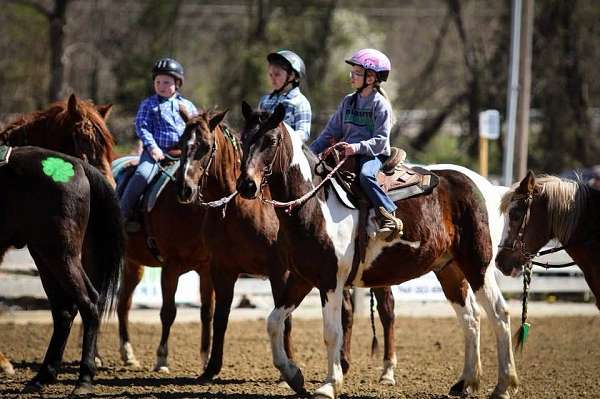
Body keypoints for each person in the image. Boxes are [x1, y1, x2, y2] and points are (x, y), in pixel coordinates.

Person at [309, 48, 402, 239]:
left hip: (373, 154)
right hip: (348, 152)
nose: (351, 76)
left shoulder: (380, 105)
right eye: (353, 72)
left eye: (357, 73)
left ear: (370, 78)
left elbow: (380, 141)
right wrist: (309, 154)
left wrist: (357, 147)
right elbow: (330, 132)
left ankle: (388, 215)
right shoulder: (347, 102)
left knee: (366, 175)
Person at [120, 57, 198, 232]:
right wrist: (153, 147)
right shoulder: (148, 104)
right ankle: (122, 215)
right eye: (158, 82)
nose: (161, 85)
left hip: (183, 153)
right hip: (156, 152)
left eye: (166, 82)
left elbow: (196, 129)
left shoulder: (188, 105)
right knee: (141, 174)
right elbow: (142, 127)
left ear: (177, 83)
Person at [258, 50, 311, 142]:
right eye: (271, 75)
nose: (272, 79)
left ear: (291, 76)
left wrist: (281, 139)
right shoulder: (265, 101)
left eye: (277, 74)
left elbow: (304, 133)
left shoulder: (300, 102)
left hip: (287, 153)